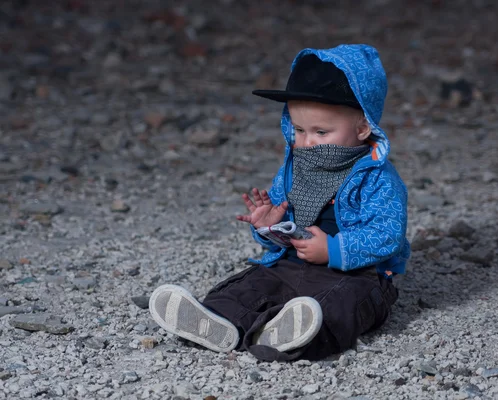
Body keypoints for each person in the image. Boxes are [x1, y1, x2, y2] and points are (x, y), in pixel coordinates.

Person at [148, 44, 411, 362]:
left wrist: (334, 251)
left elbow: (387, 234)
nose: (307, 141)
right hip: (290, 264)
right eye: (299, 130)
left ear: (362, 128)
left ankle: (290, 337)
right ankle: (219, 321)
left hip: (355, 274)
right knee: (252, 286)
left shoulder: (376, 177)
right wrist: (268, 224)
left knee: (342, 304)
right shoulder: (295, 168)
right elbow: (279, 226)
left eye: (321, 131)